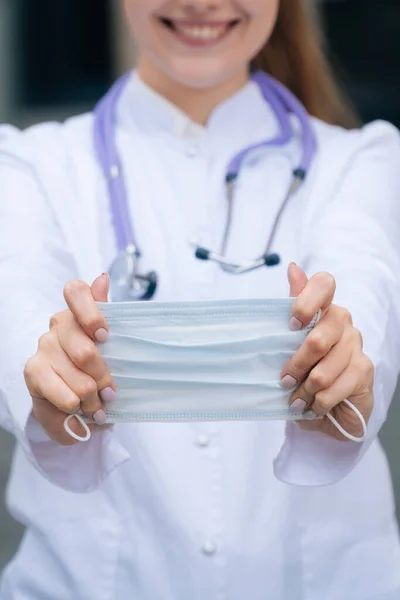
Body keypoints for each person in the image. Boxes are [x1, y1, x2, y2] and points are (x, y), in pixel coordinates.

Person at [0, 0, 400, 598]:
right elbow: (21, 305)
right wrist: (48, 372)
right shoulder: (25, 166)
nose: (201, 3)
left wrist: (347, 358)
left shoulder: (365, 161)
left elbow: (364, 290)